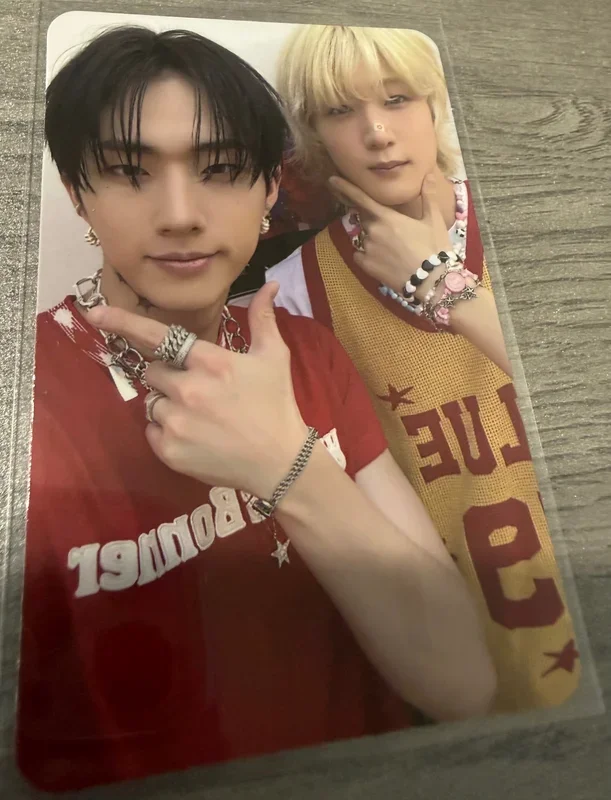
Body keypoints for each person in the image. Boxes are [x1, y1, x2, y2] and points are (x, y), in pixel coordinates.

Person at [18, 26, 496, 793]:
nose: (180, 214)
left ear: (271, 188)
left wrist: (287, 468)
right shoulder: (24, 398)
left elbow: (462, 681)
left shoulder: (309, 352)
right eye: (128, 172)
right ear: (77, 191)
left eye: (219, 169)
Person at [258, 25, 581, 714]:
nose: (377, 132)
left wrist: (440, 282)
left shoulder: (547, 214)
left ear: (436, 101)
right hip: (479, 676)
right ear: (314, 134)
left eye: (397, 98)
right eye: (340, 110)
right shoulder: (293, 293)